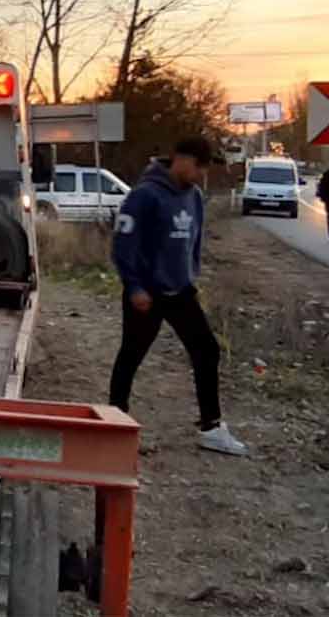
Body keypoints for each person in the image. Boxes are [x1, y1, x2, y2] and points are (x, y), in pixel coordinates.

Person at [109, 136, 248, 456]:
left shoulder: (195, 197)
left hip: (181, 291)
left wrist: (191, 274)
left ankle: (211, 427)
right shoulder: (143, 196)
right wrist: (134, 286)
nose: (201, 174)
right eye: (198, 167)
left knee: (207, 350)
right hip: (146, 293)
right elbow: (122, 245)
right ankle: (115, 421)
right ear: (181, 160)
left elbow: (194, 241)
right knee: (130, 356)